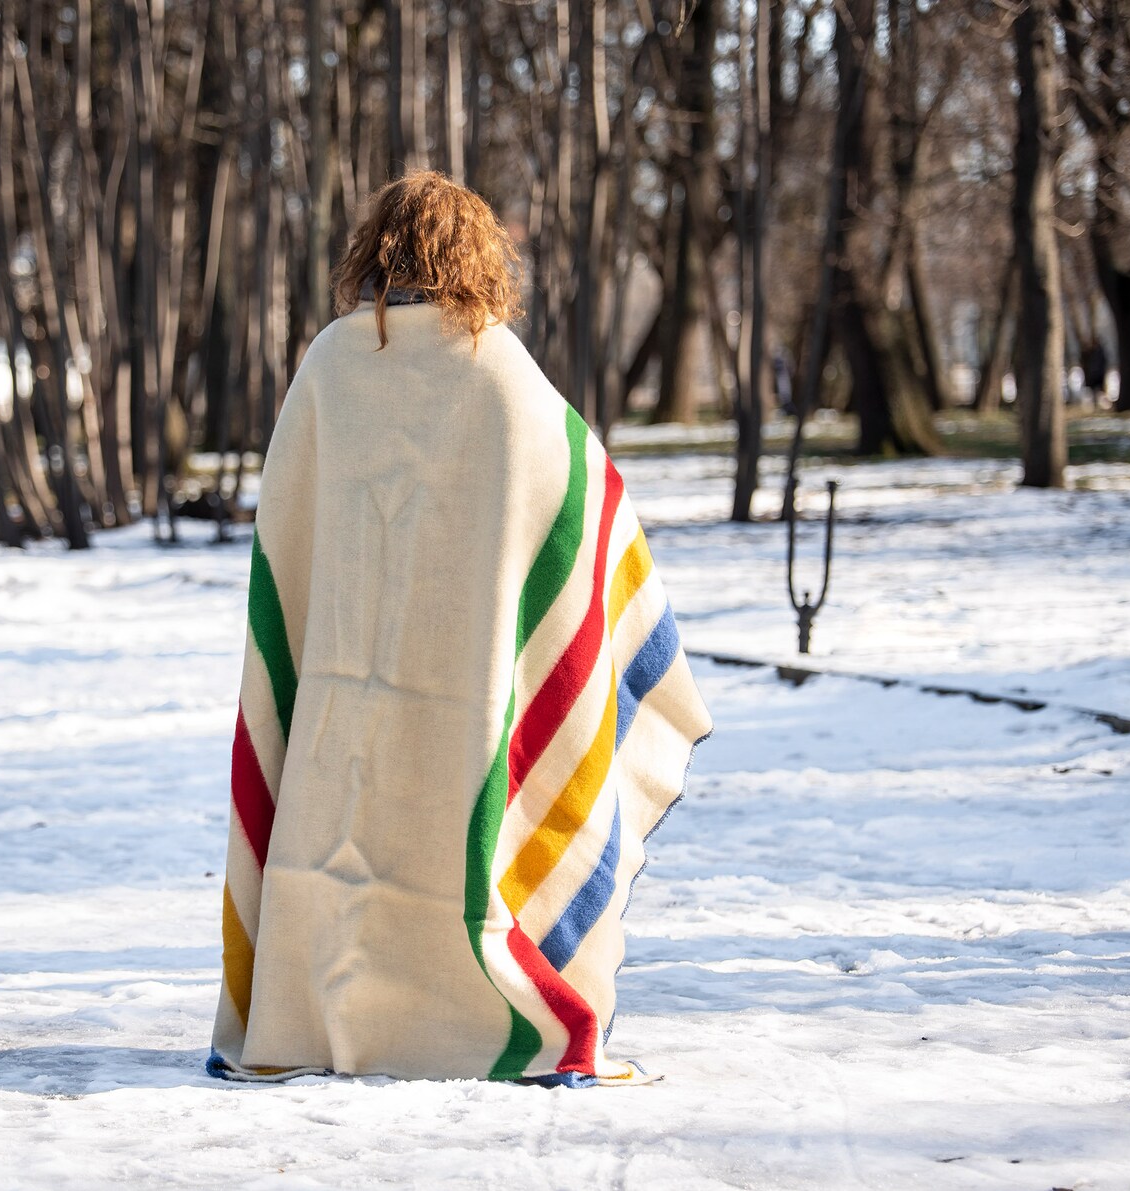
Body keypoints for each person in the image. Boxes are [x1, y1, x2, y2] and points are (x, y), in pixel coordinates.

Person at [208, 170, 712, 1086]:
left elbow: (283, 538)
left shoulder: (329, 364)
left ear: (377, 251)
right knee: (457, 845)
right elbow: (582, 500)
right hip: (465, 693)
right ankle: (470, 1019)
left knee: (335, 838)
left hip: (336, 692)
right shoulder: (497, 366)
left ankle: (315, 1014)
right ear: (477, 256)